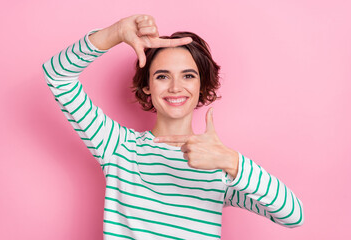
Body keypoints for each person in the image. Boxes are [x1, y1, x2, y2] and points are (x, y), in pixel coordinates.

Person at [43, 14, 304, 240]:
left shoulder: (220, 166)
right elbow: (57, 75)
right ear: (147, 86)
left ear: (202, 86)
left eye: (188, 75)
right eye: (162, 76)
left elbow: (292, 215)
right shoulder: (118, 147)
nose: (175, 87)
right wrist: (115, 33)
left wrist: (231, 161)